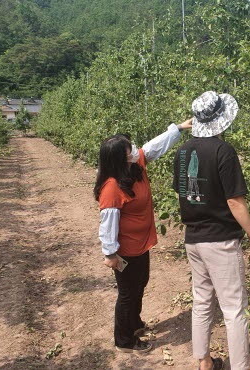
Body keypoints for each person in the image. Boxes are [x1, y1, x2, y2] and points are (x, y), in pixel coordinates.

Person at [173, 91, 250, 370]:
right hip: (220, 241)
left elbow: (183, 191)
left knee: (202, 302)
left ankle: (204, 362)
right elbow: (234, 200)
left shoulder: (183, 151)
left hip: (194, 239)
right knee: (234, 308)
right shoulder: (223, 151)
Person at [95, 119, 192, 353]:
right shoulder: (111, 187)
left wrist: (177, 128)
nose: (135, 151)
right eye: (130, 150)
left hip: (141, 244)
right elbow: (107, 226)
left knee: (140, 284)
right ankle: (124, 340)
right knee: (128, 293)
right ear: (119, 159)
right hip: (126, 250)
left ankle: (134, 324)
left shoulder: (134, 166)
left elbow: (153, 146)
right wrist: (110, 254)